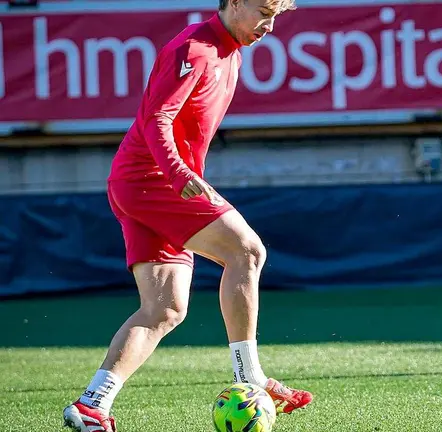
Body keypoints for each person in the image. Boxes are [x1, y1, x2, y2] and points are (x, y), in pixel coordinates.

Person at [62, 1, 313, 431]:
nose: (269, 26)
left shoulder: (228, 50)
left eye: (277, 17)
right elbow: (156, 119)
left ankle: (92, 405)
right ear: (234, 3)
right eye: (264, 12)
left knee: (164, 309)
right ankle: (248, 374)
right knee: (247, 253)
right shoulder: (195, 48)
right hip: (153, 180)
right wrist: (178, 173)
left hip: (138, 183)